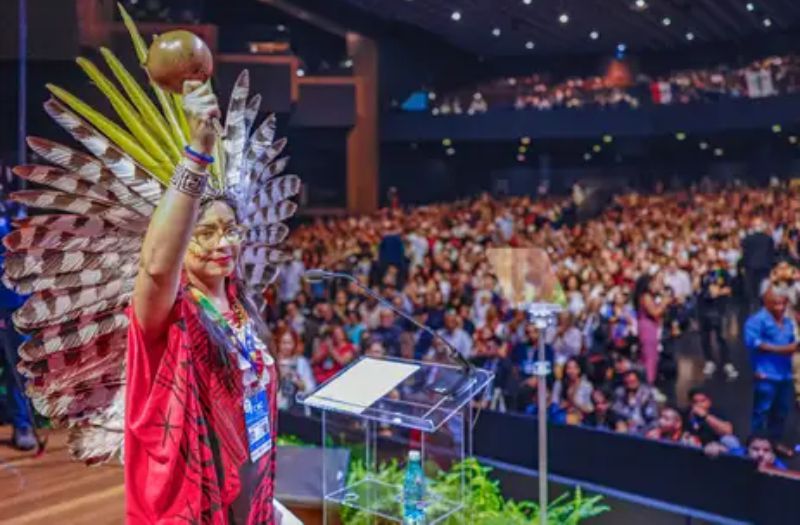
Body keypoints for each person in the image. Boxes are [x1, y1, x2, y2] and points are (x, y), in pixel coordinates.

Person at [2, 14, 300, 522]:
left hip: (249, 498)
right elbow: (158, 269)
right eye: (203, 232)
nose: (221, 243)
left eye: (230, 229)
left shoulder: (241, 304)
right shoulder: (166, 312)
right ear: (180, 239)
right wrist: (197, 152)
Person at [744, 287, 797, 442]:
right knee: (761, 411)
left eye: (783, 304)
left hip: (785, 374)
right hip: (766, 374)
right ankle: (756, 444)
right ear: (767, 303)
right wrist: (783, 349)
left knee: (781, 412)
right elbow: (754, 343)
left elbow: (792, 342)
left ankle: (775, 443)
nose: (779, 307)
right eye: (775, 304)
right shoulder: (756, 321)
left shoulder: (787, 322)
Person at [697, 251, 738, 379]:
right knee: (704, 337)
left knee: (722, 337)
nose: (709, 256)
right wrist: (698, 274)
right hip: (703, 309)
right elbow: (695, 288)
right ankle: (709, 361)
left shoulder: (722, 272)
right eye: (707, 254)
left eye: (711, 254)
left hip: (719, 309)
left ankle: (727, 362)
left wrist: (718, 292)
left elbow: (730, 289)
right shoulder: (702, 273)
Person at [633, 274, 668, 385]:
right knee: (650, 357)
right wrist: (664, 303)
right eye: (653, 283)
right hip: (648, 328)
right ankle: (649, 384)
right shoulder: (646, 297)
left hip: (648, 327)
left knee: (647, 356)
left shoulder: (645, 296)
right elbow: (654, 312)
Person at [276, 329, 316, 411]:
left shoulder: (301, 362)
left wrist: (296, 380)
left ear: (294, 344)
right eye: (283, 343)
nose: (286, 347)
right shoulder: (272, 362)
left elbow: (310, 388)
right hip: (278, 408)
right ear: (278, 343)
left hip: (297, 409)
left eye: (289, 343)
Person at [741, 218, 775, 313]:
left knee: (752, 297)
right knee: (763, 295)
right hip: (765, 270)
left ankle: (754, 316)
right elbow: (771, 255)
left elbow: (744, 255)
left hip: (751, 270)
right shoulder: (769, 239)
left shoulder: (747, 239)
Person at [551, 357, 594, 424]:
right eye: (569, 368)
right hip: (562, 415)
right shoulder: (559, 384)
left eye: (575, 368)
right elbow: (555, 403)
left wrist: (575, 404)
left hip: (581, 416)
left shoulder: (586, 386)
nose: (571, 371)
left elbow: (590, 408)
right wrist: (563, 407)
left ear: (579, 370)